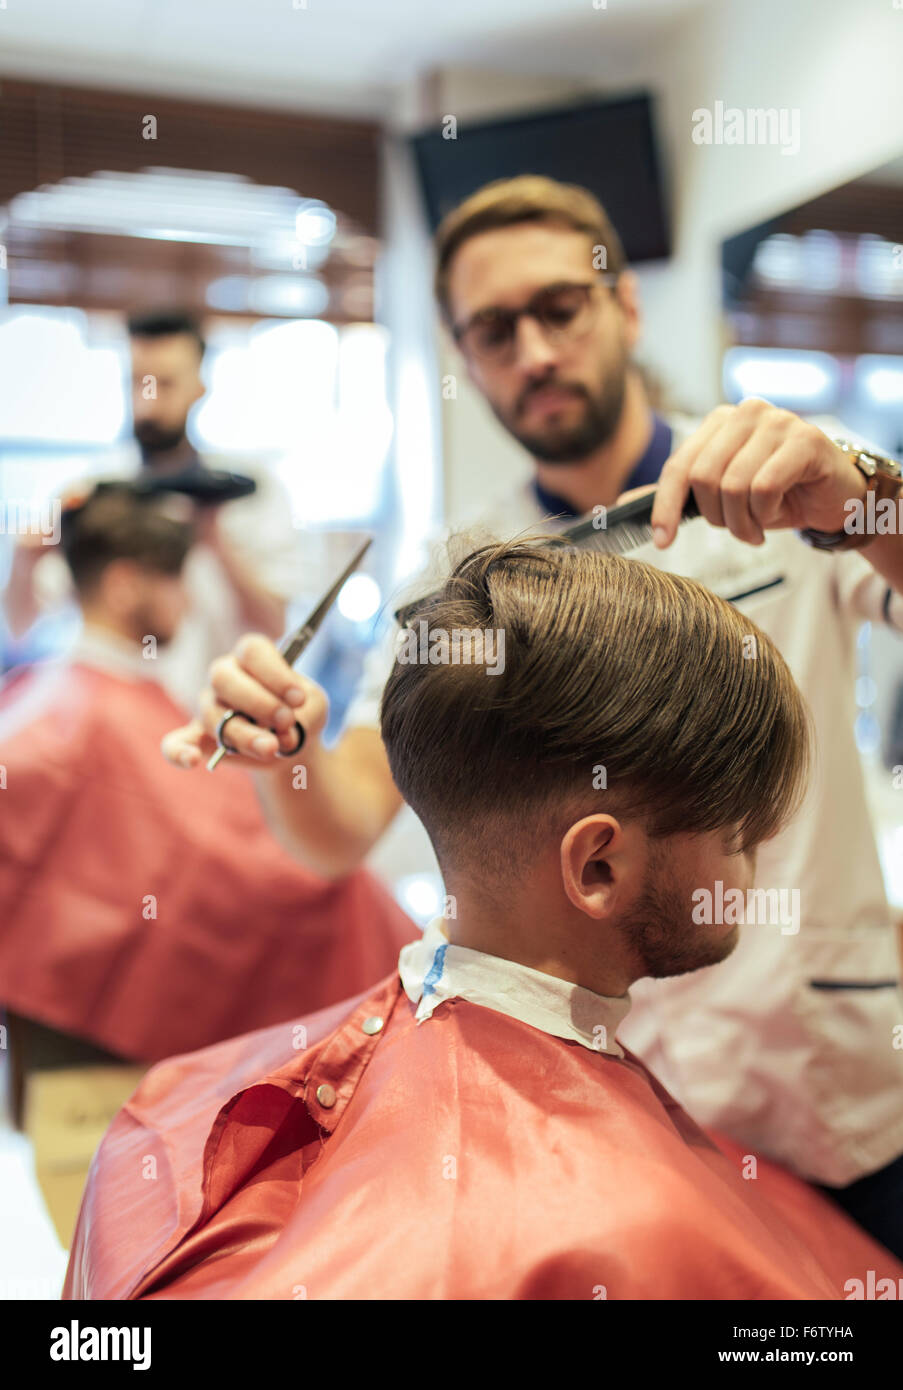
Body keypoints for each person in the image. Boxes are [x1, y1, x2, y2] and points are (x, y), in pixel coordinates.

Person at [161, 177, 903, 1254]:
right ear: (464, 358)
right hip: (585, 1094)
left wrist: (862, 497)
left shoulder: (788, 484)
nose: (535, 352)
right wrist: (288, 752)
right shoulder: (461, 573)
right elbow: (341, 823)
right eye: (495, 330)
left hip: (819, 1077)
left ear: (625, 310)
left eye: (561, 307)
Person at [64, 541, 903, 1300]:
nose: (753, 866)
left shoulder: (176, 1096)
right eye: (738, 836)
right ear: (597, 867)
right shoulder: (632, 1235)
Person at [0, 482, 414, 1246]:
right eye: (175, 581)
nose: (189, 605)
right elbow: (259, 869)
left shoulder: (49, 698)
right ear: (128, 584)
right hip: (95, 1063)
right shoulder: (72, 725)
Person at [1, 309, 311, 710]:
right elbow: (20, 629)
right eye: (137, 383)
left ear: (199, 385)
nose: (147, 404)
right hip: (112, 727)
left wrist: (215, 543)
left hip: (218, 727)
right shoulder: (93, 496)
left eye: (165, 384)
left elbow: (277, 626)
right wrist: (26, 558)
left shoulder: (252, 495)